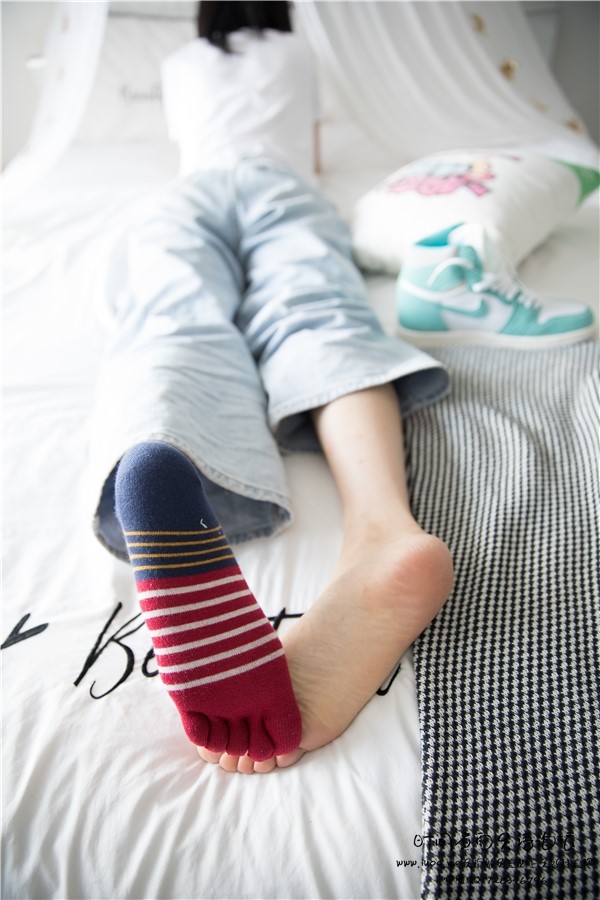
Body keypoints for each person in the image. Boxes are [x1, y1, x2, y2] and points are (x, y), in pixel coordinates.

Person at [90, 0, 454, 774]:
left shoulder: (181, 63)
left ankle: (162, 451)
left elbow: (192, 147)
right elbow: (309, 152)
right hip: (283, 187)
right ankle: (382, 528)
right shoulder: (297, 54)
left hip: (188, 197)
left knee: (173, 321)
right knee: (314, 311)